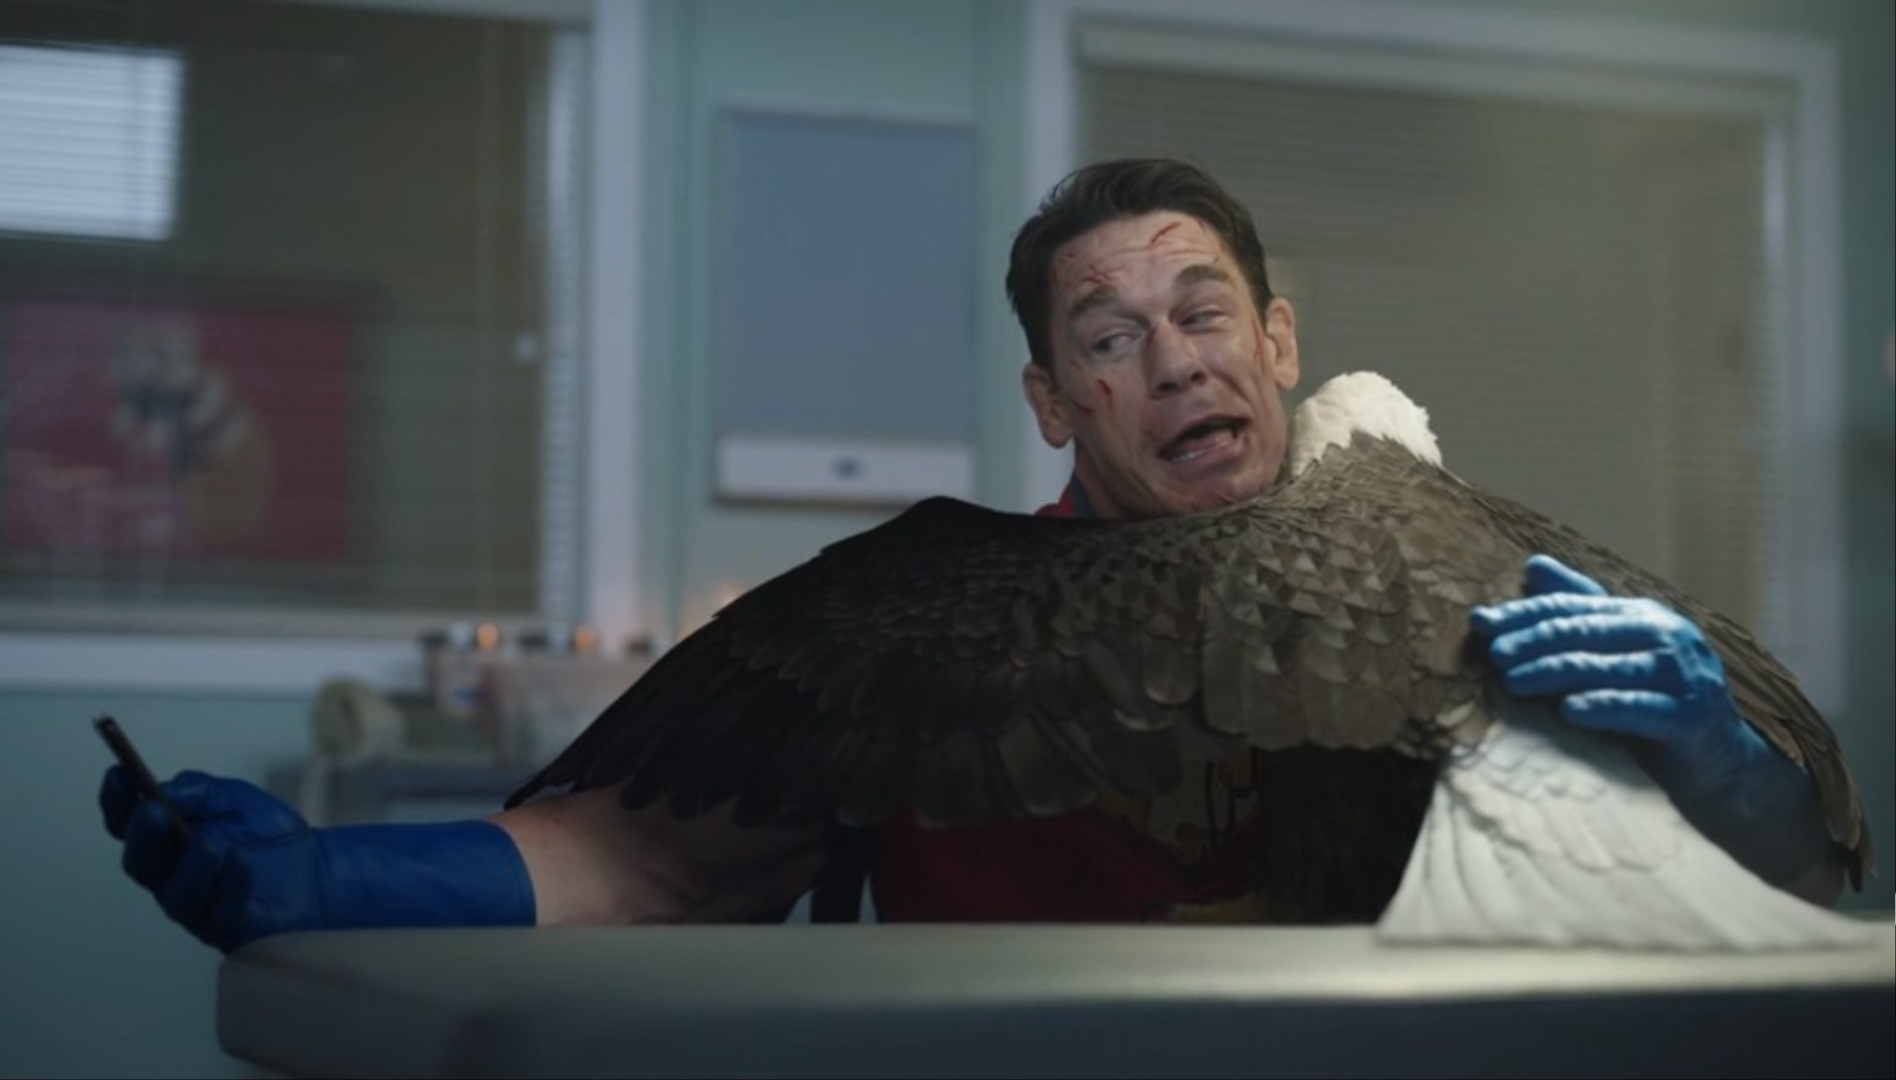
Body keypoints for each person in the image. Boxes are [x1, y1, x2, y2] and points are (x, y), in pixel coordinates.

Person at [101, 158, 1849, 953]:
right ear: (1053, 401)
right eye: (1111, 339)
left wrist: (1712, 750)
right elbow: (645, 867)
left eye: (1204, 314)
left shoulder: (1462, 575)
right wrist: (330, 883)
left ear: (1279, 342)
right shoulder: (919, 625)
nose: (1174, 366)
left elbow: (1767, 881)